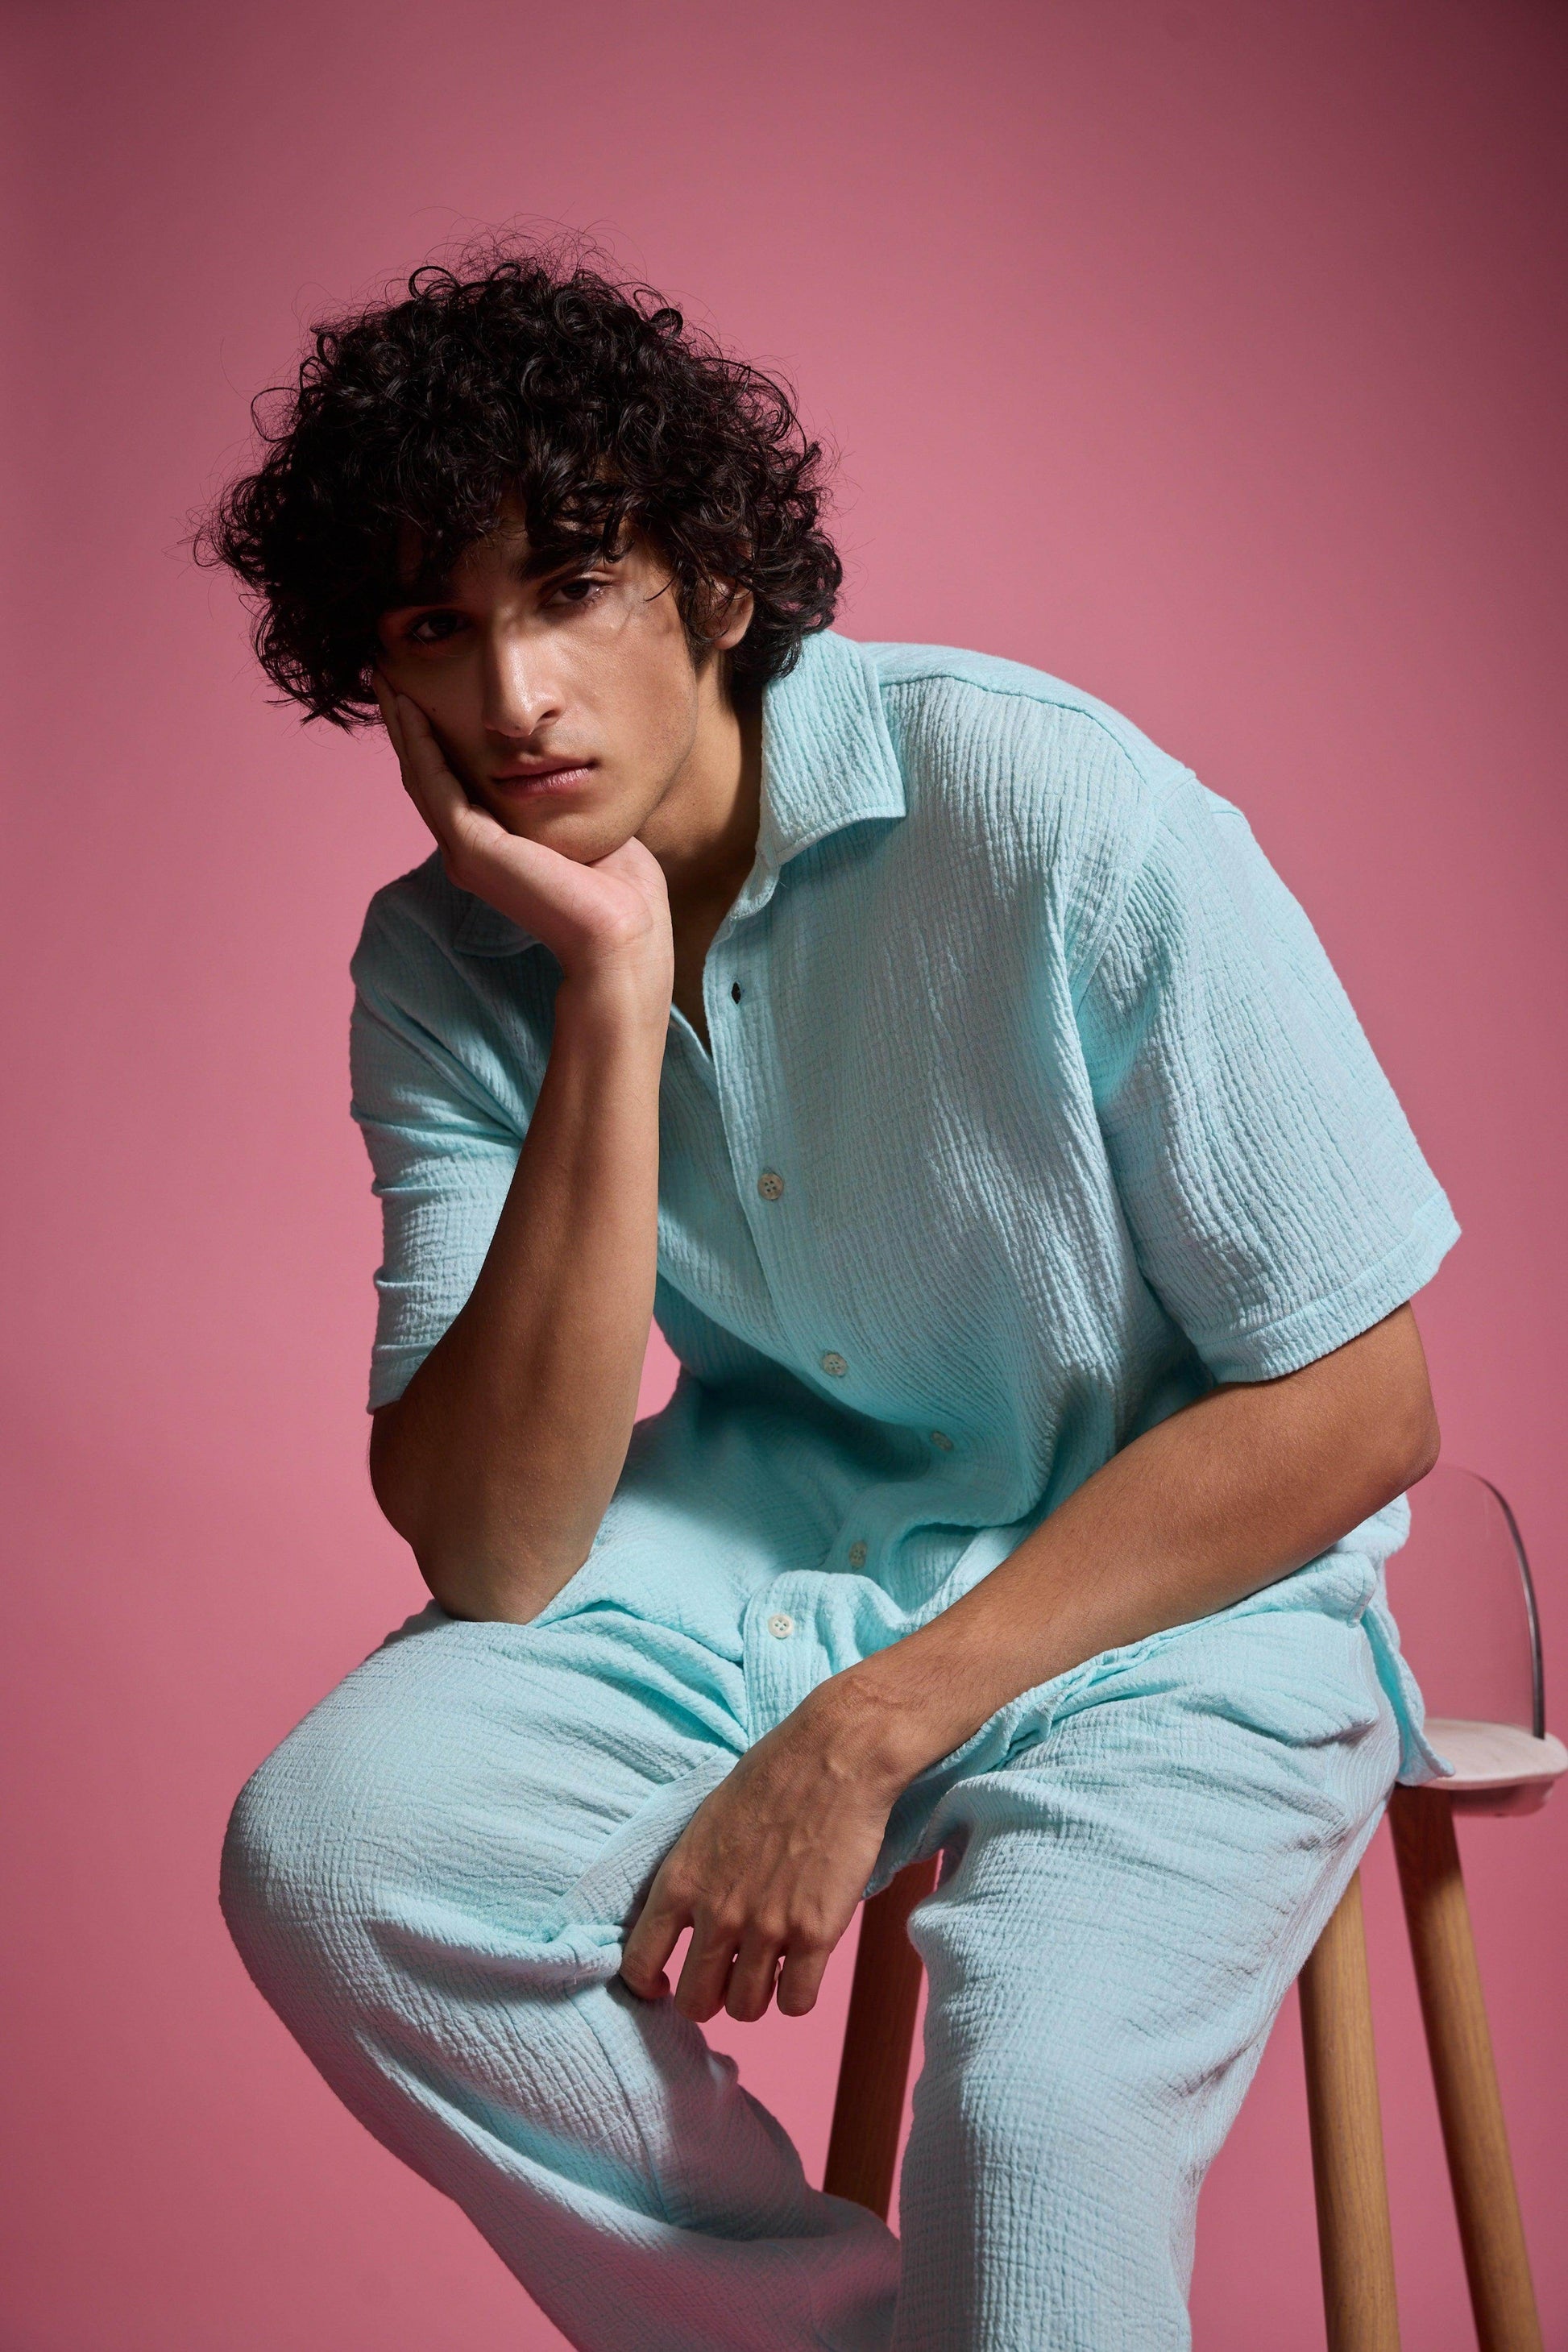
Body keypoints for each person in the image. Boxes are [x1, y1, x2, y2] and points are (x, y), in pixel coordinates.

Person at [206, 246, 1457, 2351]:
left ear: (712, 583)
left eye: (572, 590)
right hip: (760, 1560)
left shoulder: (1046, 801)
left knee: (1036, 2120)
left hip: (1174, 1596)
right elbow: (497, 1549)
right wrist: (610, 990)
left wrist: (865, 1732)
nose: (514, 698)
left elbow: (1361, 1403)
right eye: (438, 628)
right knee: (337, 1854)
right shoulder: (445, 960)